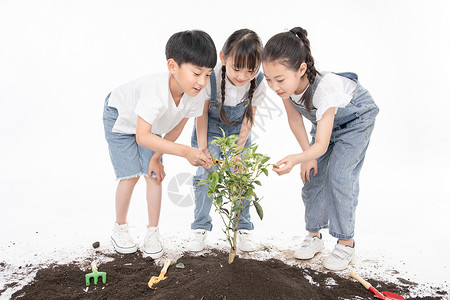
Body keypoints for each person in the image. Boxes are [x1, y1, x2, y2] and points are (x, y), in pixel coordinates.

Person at [262, 27, 379, 271]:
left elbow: (322, 145)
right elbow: (295, 121)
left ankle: (346, 242)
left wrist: (297, 158)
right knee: (312, 176)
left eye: (279, 79)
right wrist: (307, 157)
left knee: (339, 176)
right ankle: (313, 237)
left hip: (355, 123)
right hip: (326, 125)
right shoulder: (285, 88)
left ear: (301, 69)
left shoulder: (326, 88)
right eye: (269, 79)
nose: (274, 86)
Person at [103, 30, 216, 258]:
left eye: (208, 74)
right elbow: (141, 137)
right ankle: (120, 228)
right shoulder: (155, 91)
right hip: (120, 117)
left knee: (154, 174)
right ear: (173, 66)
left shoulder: (195, 93)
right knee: (131, 175)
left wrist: (156, 158)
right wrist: (185, 151)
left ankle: (152, 232)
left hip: (149, 125)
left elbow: (176, 126)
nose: (202, 82)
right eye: (196, 73)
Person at [187, 29, 270, 252]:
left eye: (250, 70)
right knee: (206, 172)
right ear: (223, 58)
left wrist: (238, 151)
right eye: (236, 68)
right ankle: (200, 228)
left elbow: (249, 117)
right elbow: (201, 115)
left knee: (240, 173)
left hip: (238, 132)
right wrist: (203, 149)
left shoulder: (259, 82)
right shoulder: (210, 77)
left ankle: (242, 227)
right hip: (210, 130)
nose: (242, 76)